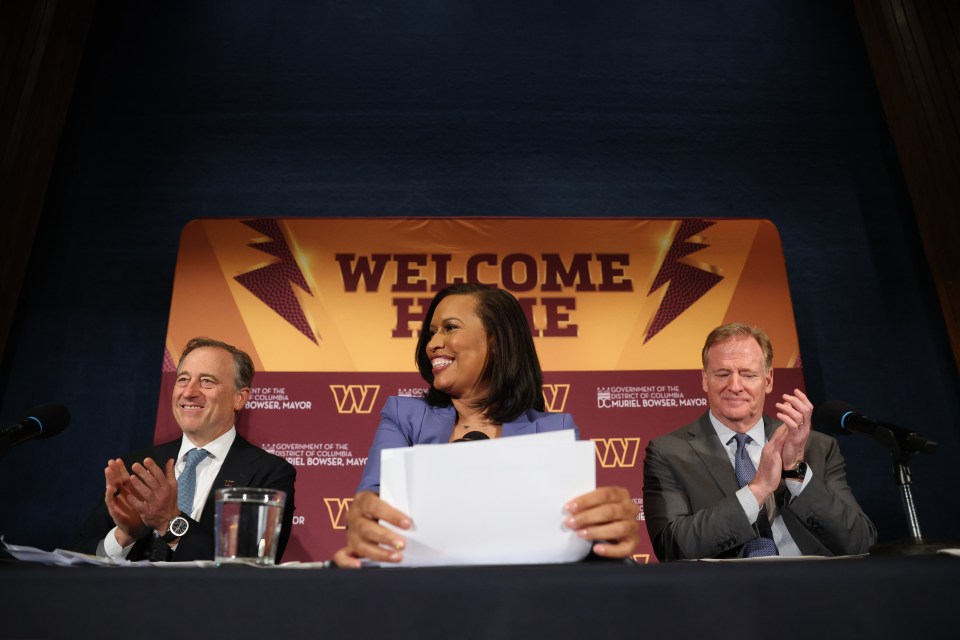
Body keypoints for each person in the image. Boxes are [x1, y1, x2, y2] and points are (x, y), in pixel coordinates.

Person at [333, 283, 640, 567]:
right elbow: (373, 499)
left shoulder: (554, 430)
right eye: (431, 332)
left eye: (449, 328)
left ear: (496, 340)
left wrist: (606, 533)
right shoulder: (403, 415)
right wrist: (364, 516)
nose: (433, 344)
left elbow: (574, 527)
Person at [642, 323, 876, 561]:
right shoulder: (669, 452)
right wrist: (758, 489)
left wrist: (795, 471)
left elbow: (859, 542)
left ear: (768, 379)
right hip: (727, 590)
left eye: (748, 374)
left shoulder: (818, 447)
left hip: (811, 585)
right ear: (704, 380)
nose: (734, 386)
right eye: (722, 374)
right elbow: (672, 548)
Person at [74, 337, 297, 562]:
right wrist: (125, 535)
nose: (189, 392)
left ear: (239, 398)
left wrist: (168, 522)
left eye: (207, 381)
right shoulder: (138, 465)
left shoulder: (269, 473)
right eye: (183, 379)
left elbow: (251, 561)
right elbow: (77, 554)